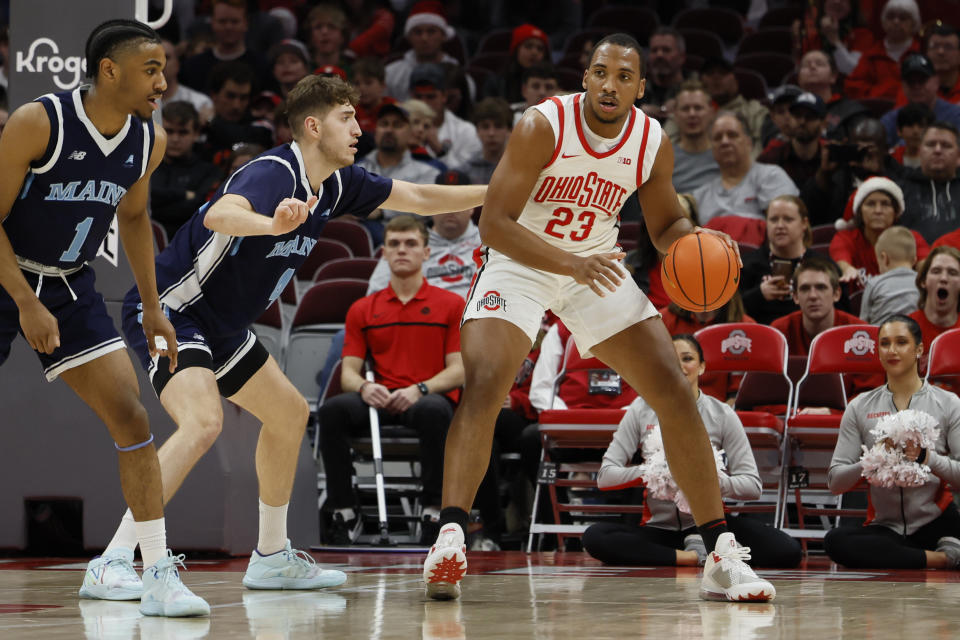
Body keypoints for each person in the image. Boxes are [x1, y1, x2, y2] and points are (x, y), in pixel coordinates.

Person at [89, 75, 485, 596]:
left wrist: (502, 192)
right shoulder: (273, 171)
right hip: (170, 311)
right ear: (314, 126)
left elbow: (418, 193)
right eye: (348, 118)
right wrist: (271, 226)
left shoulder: (338, 183)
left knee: (289, 413)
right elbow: (221, 213)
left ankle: (272, 557)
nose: (359, 130)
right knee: (203, 421)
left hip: (224, 327)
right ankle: (115, 558)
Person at [422, 33, 776, 603]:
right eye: (599, 72)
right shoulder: (543, 125)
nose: (609, 84)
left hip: (596, 267)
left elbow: (663, 226)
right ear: (585, 77)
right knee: (486, 384)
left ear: (640, 87)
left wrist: (692, 246)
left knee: (675, 392)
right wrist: (570, 263)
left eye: (623, 76)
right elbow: (493, 222)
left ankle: (719, 552)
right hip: (520, 261)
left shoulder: (651, 142)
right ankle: (450, 536)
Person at [0, 20, 207, 617]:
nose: (163, 82)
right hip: (8, 274)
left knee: (131, 414)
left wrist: (150, 306)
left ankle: (155, 569)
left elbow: (136, 220)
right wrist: (23, 300)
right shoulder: (39, 121)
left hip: (68, 282)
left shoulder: (149, 140)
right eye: (151, 70)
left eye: (165, 69)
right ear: (109, 70)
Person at [582, 335, 802, 568]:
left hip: (712, 524)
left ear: (702, 367)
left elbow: (752, 486)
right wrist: (653, 471)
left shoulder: (722, 414)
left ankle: (698, 546)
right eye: (671, 359)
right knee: (595, 537)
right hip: (659, 528)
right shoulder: (640, 409)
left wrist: (711, 479)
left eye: (687, 359)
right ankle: (693, 557)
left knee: (786, 550)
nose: (680, 366)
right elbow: (605, 477)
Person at [317, 215, 465, 545]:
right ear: (383, 252)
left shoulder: (451, 304)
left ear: (426, 253)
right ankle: (344, 512)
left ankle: (432, 511)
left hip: (425, 397)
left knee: (434, 411)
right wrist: (366, 387)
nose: (402, 250)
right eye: (394, 244)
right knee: (332, 411)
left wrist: (420, 389)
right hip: (381, 397)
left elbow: (459, 370)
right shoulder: (362, 309)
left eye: (411, 244)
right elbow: (348, 375)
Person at [824, 315, 960, 570]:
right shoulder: (860, 406)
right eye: (885, 343)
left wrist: (927, 458)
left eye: (901, 342)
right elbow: (835, 482)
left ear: (919, 349)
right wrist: (871, 461)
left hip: (939, 522)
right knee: (835, 541)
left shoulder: (948, 403)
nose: (892, 350)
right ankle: (941, 559)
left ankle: (914, 555)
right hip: (886, 529)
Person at [693, 112, 798, 230]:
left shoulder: (772, 177)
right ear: (712, 148)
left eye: (732, 135)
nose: (725, 142)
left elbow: (788, 229)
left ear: (749, 142)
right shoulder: (700, 196)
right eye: (718, 138)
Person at [740, 195, 832, 325]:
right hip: (760, 337)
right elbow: (728, 312)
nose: (780, 226)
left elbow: (840, 310)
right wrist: (759, 294)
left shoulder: (823, 266)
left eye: (788, 219)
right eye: (773, 219)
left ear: (804, 224)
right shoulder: (747, 264)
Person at [800, 117, 903, 226]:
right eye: (858, 148)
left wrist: (878, 176)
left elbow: (903, 216)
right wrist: (823, 174)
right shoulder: (837, 176)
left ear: (885, 150)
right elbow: (806, 213)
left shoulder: (899, 176)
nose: (862, 154)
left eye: (868, 150)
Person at [829, 177, 928, 282]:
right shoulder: (845, 238)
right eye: (870, 204)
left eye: (885, 204)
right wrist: (847, 270)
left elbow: (926, 266)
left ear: (895, 212)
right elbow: (841, 261)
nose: (878, 210)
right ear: (860, 212)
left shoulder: (911, 237)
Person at [151, 101, 222, 240]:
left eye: (183, 132)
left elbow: (198, 211)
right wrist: (184, 194)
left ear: (196, 133)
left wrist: (159, 201)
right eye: (169, 131)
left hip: (191, 245)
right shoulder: (146, 167)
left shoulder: (210, 171)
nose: (175, 139)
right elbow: (143, 204)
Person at [771, 257, 865, 355]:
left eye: (821, 288)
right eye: (805, 289)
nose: (813, 296)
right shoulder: (779, 332)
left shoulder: (859, 333)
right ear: (795, 297)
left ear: (836, 294)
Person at [179, 0, 268, 95]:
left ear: (246, 23)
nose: (228, 27)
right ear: (212, 23)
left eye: (235, 22)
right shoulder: (192, 67)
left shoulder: (262, 66)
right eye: (222, 21)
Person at [844, 0, 922, 101]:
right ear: (883, 21)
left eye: (903, 18)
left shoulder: (922, 53)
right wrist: (883, 93)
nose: (896, 22)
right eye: (890, 17)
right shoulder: (871, 54)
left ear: (914, 23)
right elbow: (853, 86)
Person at [409, 63, 481, 173]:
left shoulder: (466, 131)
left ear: (444, 96)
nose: (424, 103)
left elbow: (468, 176)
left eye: (431, 97)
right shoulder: (400, 128)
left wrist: (440, 151)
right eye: (418, 97)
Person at [384, 1, 462, 102]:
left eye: (431, 31)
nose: (424, 38)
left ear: (444, 35)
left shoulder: (459, 76)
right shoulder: (391, 74)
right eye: (418, 32)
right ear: (409, 37)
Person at [897, 122, 960, 243]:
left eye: (946, 145)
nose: (937, 150)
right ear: (919, 152)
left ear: (958, 155)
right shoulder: (899, 190)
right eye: (930, 144)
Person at [880, 53, 960, 146]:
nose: (917, 86)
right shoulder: (891, 119)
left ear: (936, 81)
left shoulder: (955, 116)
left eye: (922, 80)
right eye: (911, 82)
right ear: (903, 85)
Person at [758, 92, 827, 190]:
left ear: (823, 123)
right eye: (797, 116)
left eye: (810, 117)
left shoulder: (830, 159)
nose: (802, 122)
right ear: (790, 119)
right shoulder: (771, 158)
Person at [860, 226, 921, 324]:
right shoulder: (922, 283)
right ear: (914, 260)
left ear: (885, 258)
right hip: (914, 336)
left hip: (880, 336)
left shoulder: (874, 283)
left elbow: (862, 323)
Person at [908, 246, 960, 356]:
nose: (943, 278)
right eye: (936, 271)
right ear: (923, 281)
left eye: (952, 273)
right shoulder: (904, 328)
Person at [669, 81, 719, 194]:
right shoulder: (663, 158)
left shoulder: (726, 153)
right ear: (675, 114)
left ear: (711, 112)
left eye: (698, 108)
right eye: (685, 109)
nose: (692, 114)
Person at [484, 23, 550, 104]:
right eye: (528, 46)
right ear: (516, 50)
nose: (534, 52)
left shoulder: (552, 82)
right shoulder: (497, 82)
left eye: (540, 49)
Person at [639, 27, 693, 122]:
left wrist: (682, 107)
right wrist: (636, 114)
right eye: (654, 50)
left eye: (666, 50)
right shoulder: (636, 89)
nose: (659, 55)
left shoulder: (696, 89)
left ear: (682, 57)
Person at [455, 97, 512, 185]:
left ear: (509, 130)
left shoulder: (520, 170)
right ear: (477, 131)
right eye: (485, 127)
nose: (491, 133)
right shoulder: (464, 172)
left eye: (498, 126)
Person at [160, 39, 213, 124]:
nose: (160, 63)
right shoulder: (132, 102)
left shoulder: (199, 103)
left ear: (177, 64)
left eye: (166, 57)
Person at [924, 22, 960, 104]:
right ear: (927, 53)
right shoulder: (915, 86)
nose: (940, 52)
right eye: (935, 46)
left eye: (948, 47)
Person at [891, 102, 934, 167]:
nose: (915, 131)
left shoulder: (938, 158)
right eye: (909, 125)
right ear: (899, 131)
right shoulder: (890, 159)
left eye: (921, 126)